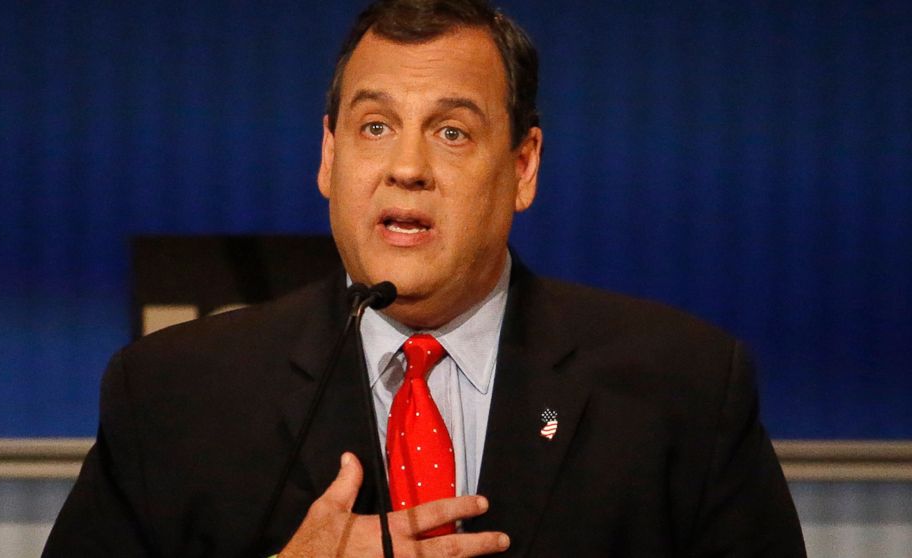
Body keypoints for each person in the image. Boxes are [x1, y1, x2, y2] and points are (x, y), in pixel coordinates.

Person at [44, 0, 806, 556]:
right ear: (330, 156)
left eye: (451, 132)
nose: (406, 168)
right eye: (375, 127)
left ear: (523, 167)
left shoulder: (684, 389)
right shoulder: (173, 395)